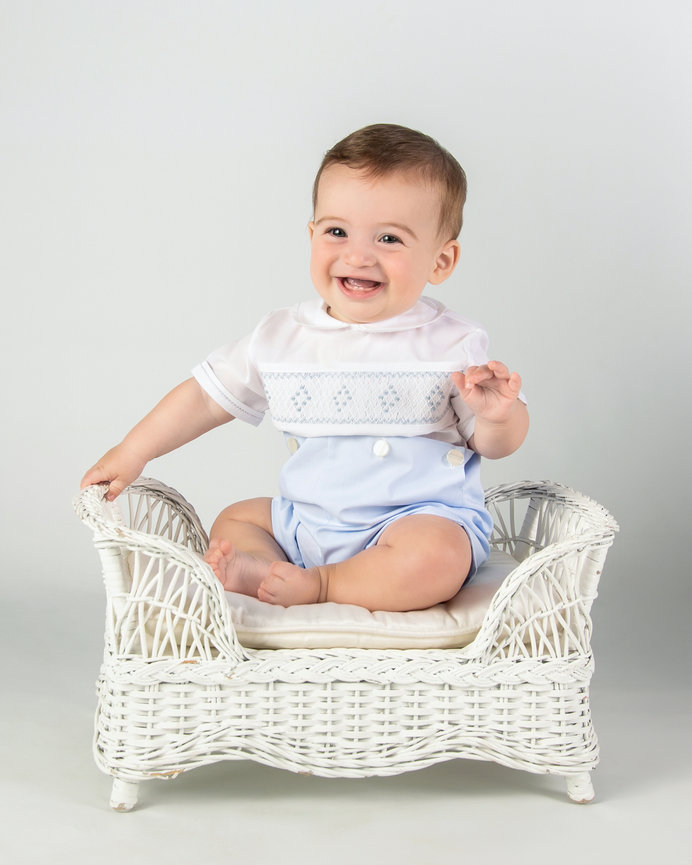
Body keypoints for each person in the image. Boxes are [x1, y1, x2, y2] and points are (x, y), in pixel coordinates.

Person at [81, 123, 529, 613]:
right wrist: (132, 451)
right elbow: (205, 398)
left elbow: (494, 445)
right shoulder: (282, 336)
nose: (357, 255)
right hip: (306, 522)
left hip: (414, 520)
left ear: (441, 261)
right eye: (337, 231)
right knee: (237, 519)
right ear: (311, 234)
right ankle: (265, 566)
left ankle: (322, 585)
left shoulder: (451, 342)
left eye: (389, 238)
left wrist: (499, 416)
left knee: (438, 557)